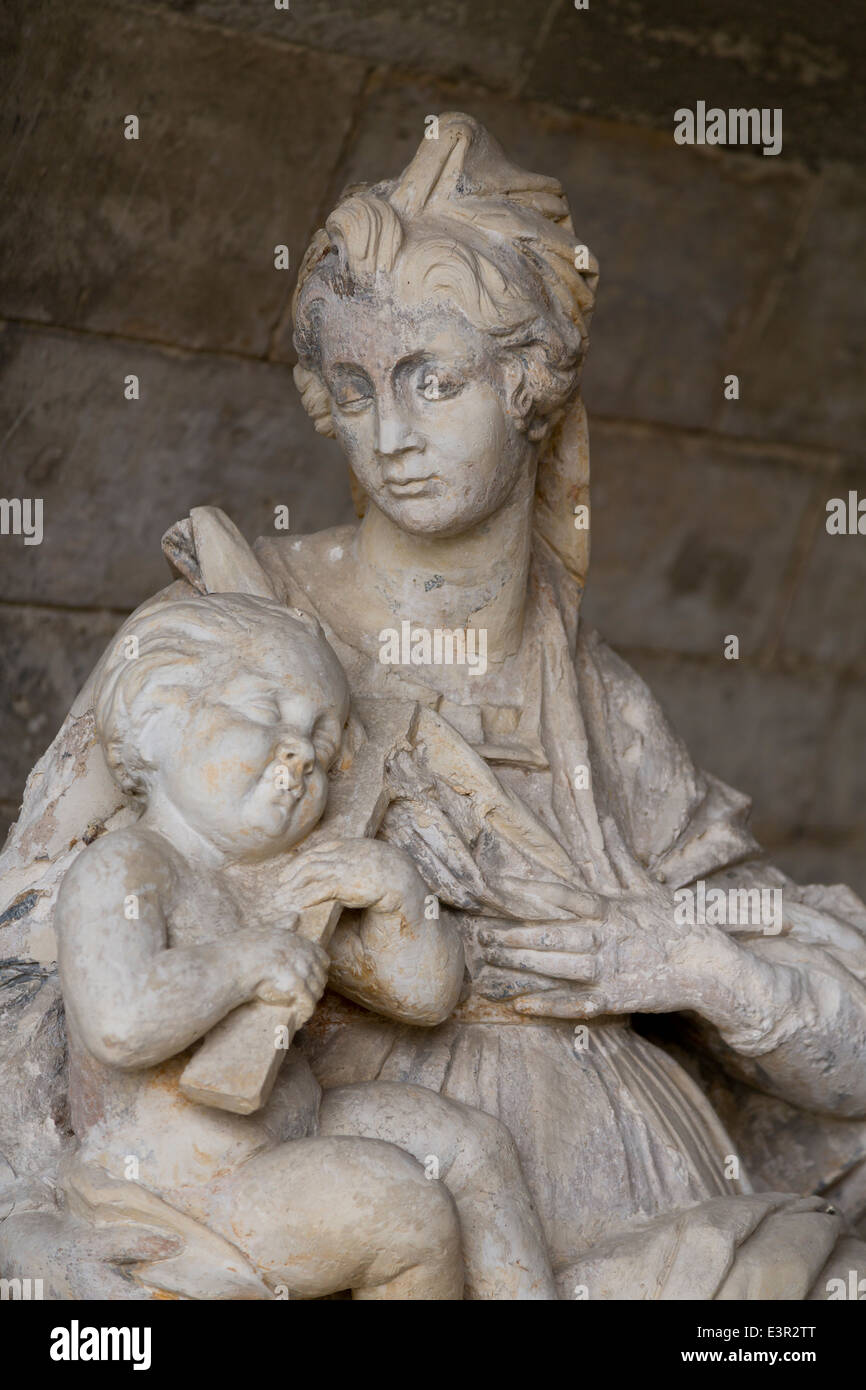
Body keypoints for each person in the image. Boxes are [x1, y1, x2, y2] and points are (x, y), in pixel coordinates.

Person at [55, 590, 555, 1300]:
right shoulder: (127, 866)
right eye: (267, 713)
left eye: (321, 747)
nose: (301, 754)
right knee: (402, 1211)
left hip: (286, 1132)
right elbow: (120, 1020)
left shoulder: (284, 882)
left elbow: (427, 998)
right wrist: (246, 961)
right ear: (159, 713)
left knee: (471, 1146)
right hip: (187, 1182)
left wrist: (394, 889)